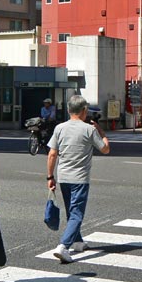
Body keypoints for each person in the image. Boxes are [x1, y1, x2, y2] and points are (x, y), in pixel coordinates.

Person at [46, 94, 110, 263]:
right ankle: (63, 246)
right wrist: (101, 131)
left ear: (68, 110)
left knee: (71, 211)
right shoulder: (89, 129)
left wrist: (50, 176)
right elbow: (105, 149)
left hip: (63, 176)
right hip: (80, 179)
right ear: (84, 111)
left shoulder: (59, 128)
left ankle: (78, 241)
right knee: (77, 214)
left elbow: (52, 154)